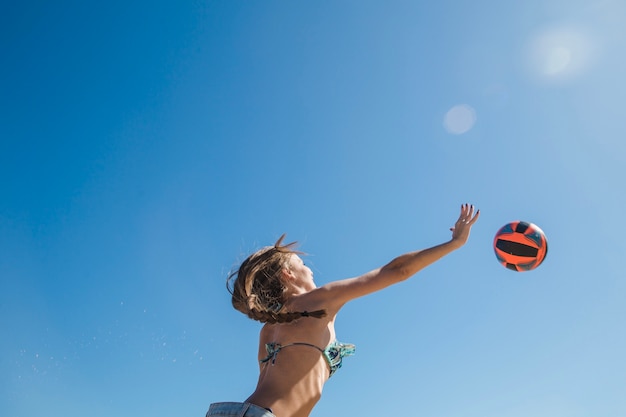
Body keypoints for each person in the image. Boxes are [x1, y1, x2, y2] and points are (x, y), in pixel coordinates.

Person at [207, 204, 480, 417]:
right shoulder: (317, 301)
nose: (309, 267)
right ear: (287, 274)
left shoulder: (269, 329)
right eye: (300, 263)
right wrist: (454, 244)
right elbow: (397, 271)